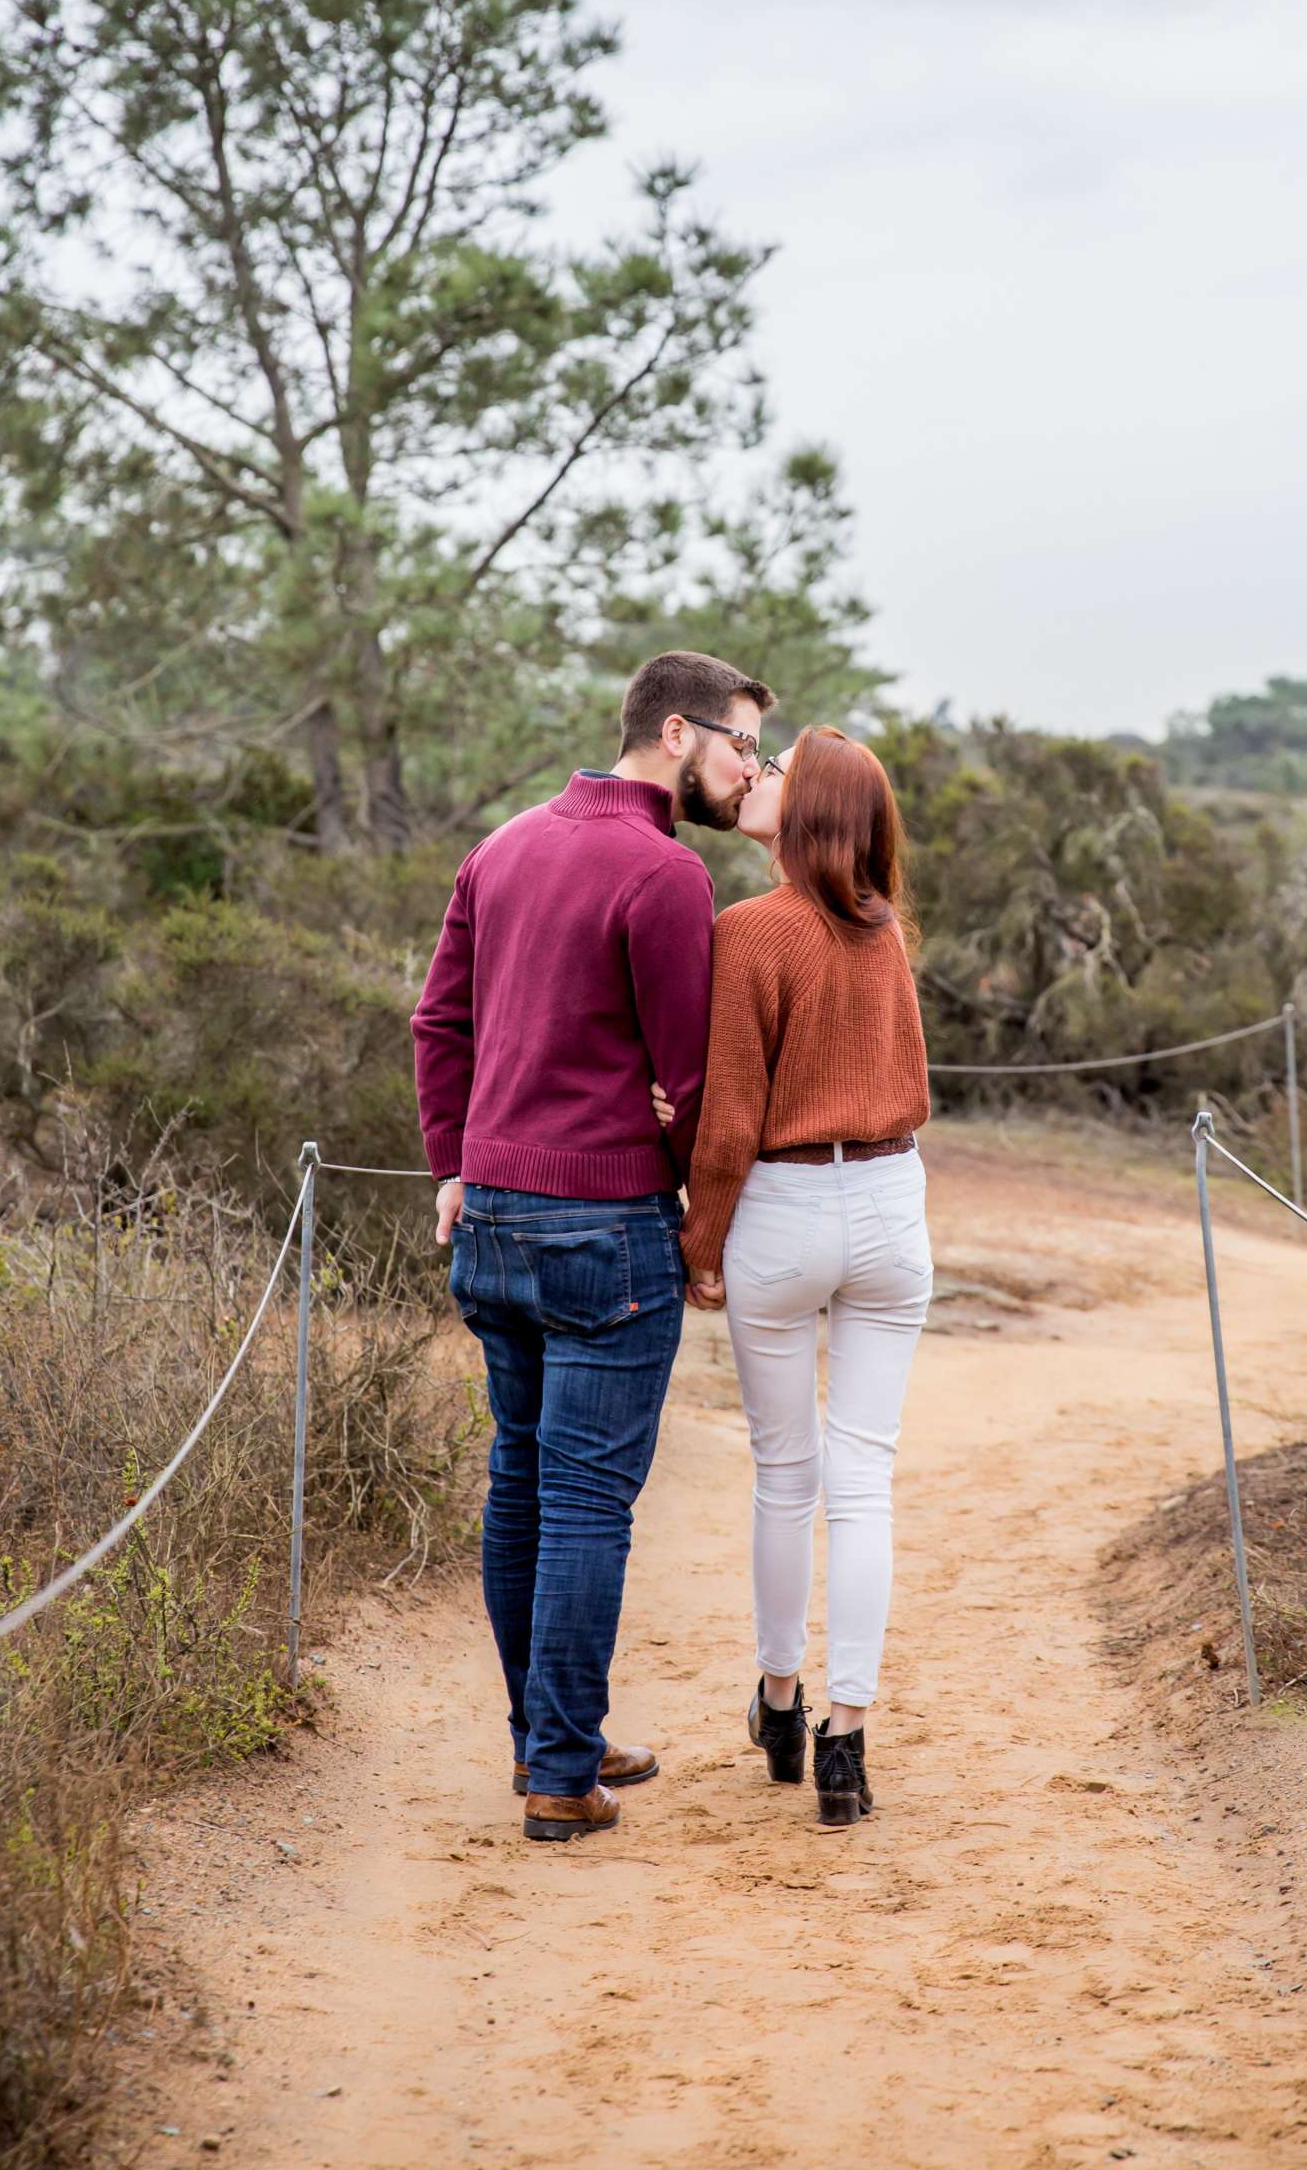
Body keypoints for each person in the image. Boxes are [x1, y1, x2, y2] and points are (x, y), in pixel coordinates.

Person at [412, 651, 775, 1842]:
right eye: (740, 746)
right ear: (677, 734)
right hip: (603, 1232)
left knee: (522, 1480)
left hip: (494, 1223)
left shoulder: (504, 845)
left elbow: (439, 1022)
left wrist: (455, 1167)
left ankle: (552, 1737)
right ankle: (561, 1773)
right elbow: (692, 1077)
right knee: (579, 1502)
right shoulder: (664, 876)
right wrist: (689, 1210)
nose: (749, 770)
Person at [656, 726, 931, 1829]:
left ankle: (779, 1699)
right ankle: (847, 1741)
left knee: (785, 1473)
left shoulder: (751, 934)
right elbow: (907, 1082)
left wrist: (701, 1241)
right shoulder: (887, 934)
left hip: (780, 1209)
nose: (756, 777)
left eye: (777, 773)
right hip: (890, 1204)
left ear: (808, 811)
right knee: (863, 1480)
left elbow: (726, 1124)